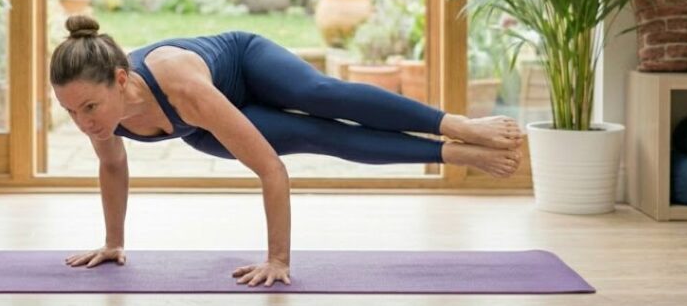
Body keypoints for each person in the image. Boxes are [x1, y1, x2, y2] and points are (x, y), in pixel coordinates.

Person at [51, 15, 522, 288]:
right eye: (71, 113)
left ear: (119, 78)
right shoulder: (100, 114)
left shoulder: (180, 83)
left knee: (322, 95)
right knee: (317, 136)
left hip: (243, 66)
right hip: (198, 127)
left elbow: (271, 171)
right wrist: (115, 243)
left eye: (88, 107)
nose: (84, 122)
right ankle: (456, 155)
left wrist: (278, 260)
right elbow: (113, 166)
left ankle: (457, 124)